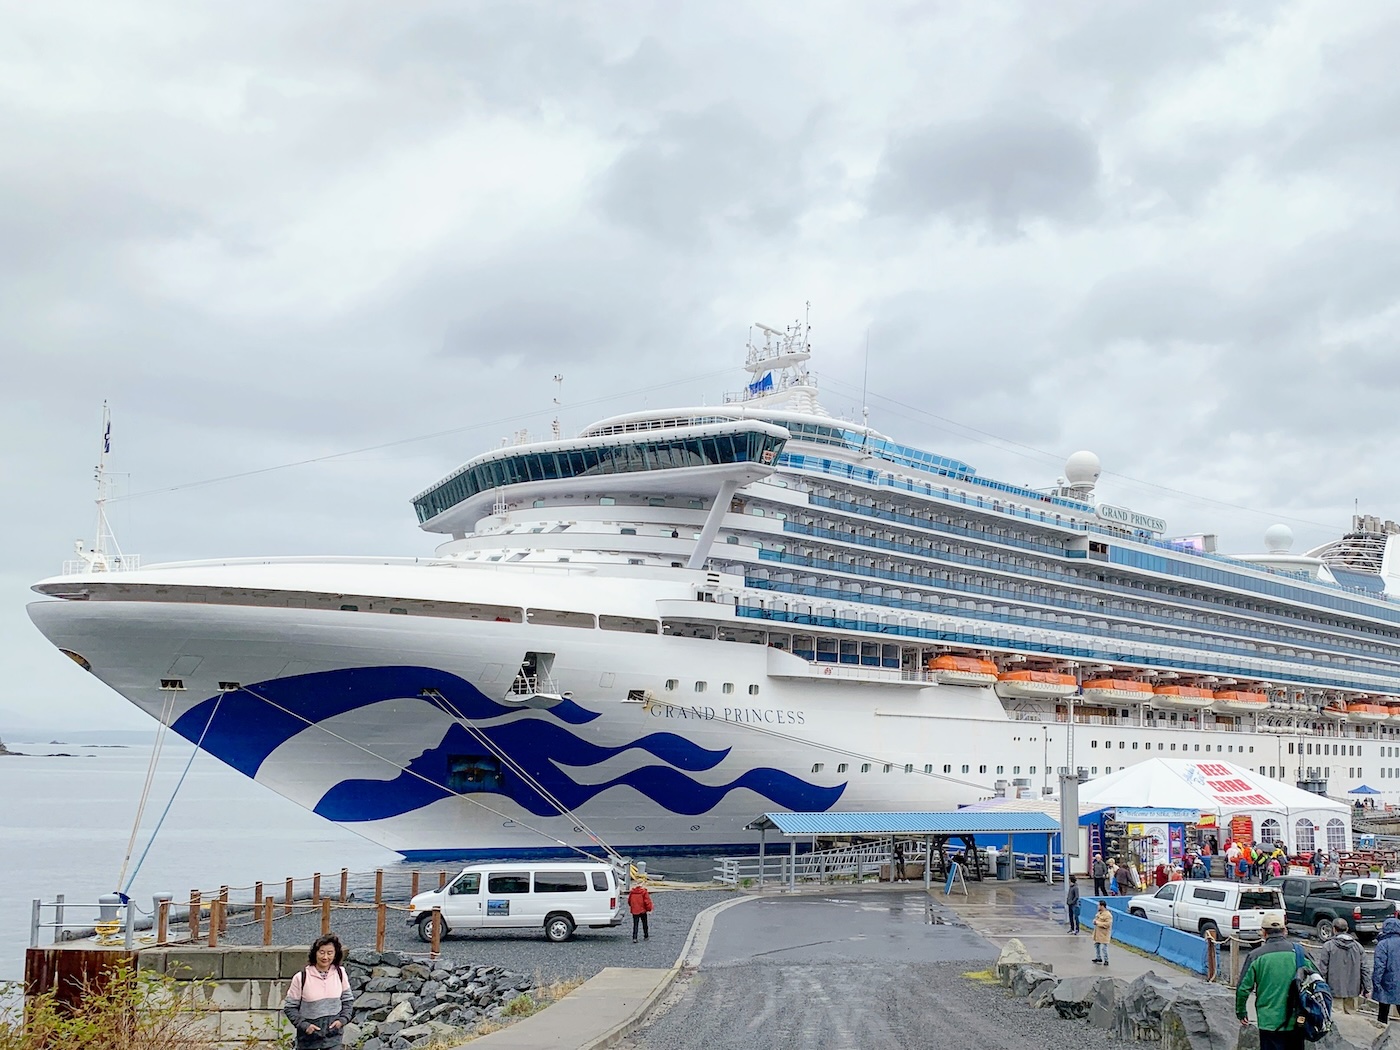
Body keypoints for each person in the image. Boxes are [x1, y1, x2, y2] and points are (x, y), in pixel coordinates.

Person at [1236, 913, 1318, 1050]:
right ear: (1285, 931)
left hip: (1269, 1021)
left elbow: (1243, 989)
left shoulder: (1256, 956)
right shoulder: (1300, 953)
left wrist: (1241, 1011)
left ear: (1263, 932)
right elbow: (1317, 980)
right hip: (1297, 1019)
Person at [283, 934, 353, 1050]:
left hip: (333, 1038)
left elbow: (348, 1001)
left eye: (330, 953)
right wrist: (305, 1026)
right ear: (315, 953)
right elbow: (290, 1007)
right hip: (308, 1040)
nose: (325, 957)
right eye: (322, 952)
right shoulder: (301, 977)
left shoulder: (341, 973)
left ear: (335, 954)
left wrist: (342, 1020)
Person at [1317, 929, 1371, 1015]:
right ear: (1347, 929)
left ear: (1334, 929)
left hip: (1334, 989)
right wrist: (1367, 988)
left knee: (1338, 1018)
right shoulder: (1358, 947)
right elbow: (1364, 968)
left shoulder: (1328, 946)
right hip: (1353, 990)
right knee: (1352, 1017)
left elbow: (1323, 969)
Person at [1374, 916, 1400, 1026]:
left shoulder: (1383, 944)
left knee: (1383, 1011)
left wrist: (1376, 983)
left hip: (1387, 982)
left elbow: (1379, 966)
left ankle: (1381, 1032)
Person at [1091, 900, 1113, 965]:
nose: (1097, 907)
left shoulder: (1108, 915)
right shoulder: (1099, 913)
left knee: (1104, 947)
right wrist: (1094, 921)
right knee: (1096, 945)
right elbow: (1096, 919)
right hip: (1098, 933)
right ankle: (1098, 958)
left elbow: (1107, 924)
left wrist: (1097, 923)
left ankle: (1106, 960)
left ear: (1102, 906)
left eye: (1098, 905)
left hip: (1104, 934)